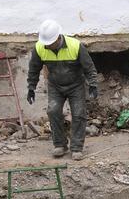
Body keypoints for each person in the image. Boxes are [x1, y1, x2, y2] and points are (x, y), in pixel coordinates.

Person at [27, 19, 100, 161]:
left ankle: (77, 147)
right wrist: (31, 87)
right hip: (55, 86)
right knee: (53, 111)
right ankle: (60, 144)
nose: (47, 46)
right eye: (45, 43)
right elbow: (34, 69)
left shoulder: (75, 46)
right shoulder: (40, 47)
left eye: (50, 43)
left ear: (58, 37)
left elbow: (89, 67)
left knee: (78, 113)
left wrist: (93, 84)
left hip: (76, 86)